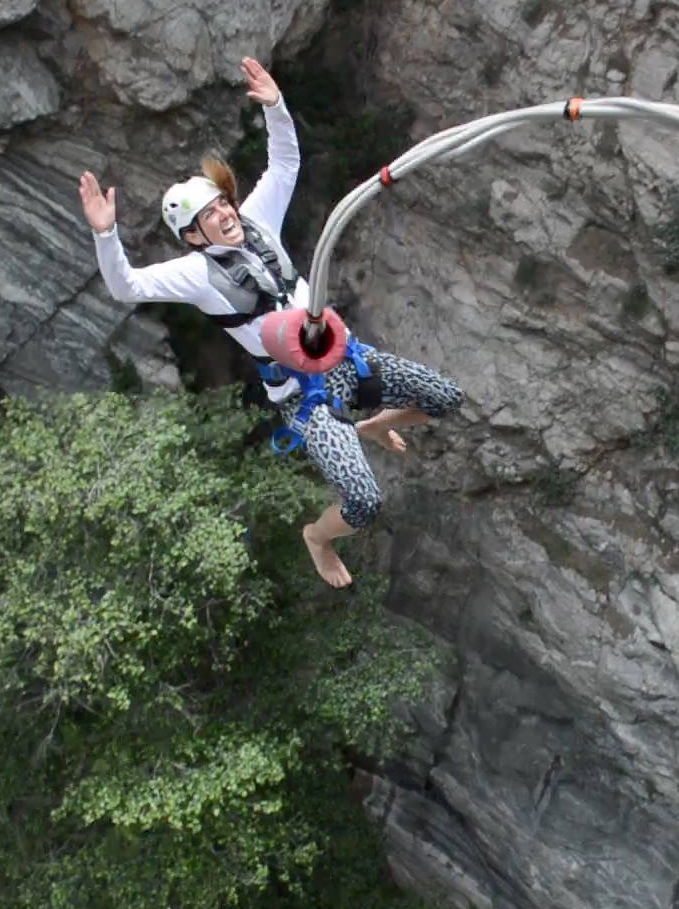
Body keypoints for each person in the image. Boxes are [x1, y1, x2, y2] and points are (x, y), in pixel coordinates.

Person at [79, 57, 462, 588]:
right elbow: (126, 287)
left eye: (222, 204)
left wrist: (276, 107)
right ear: (192, 236)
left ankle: (372, 424)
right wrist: (105, 234)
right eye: (209, 216)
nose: (224, 215)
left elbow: (284, 163)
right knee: (363, 502)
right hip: (306, 397)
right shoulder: (195, 274)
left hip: (346, 359)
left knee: (445, 398)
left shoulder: (256, 219)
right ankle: (317, 538)